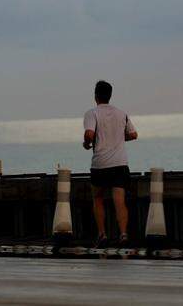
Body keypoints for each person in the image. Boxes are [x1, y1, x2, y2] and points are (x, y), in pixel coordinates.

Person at [83, 79, 137, 246]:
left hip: (100, 164)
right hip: (120, 163)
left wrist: (86, 144)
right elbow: (133, 134)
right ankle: (123, 234)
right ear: (110, 95)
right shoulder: (122, 114)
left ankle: (102, 234)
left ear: (96, 96)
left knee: (98, 198)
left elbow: (90, 134)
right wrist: (119, 139)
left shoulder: (92, 113)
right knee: (119, 200)